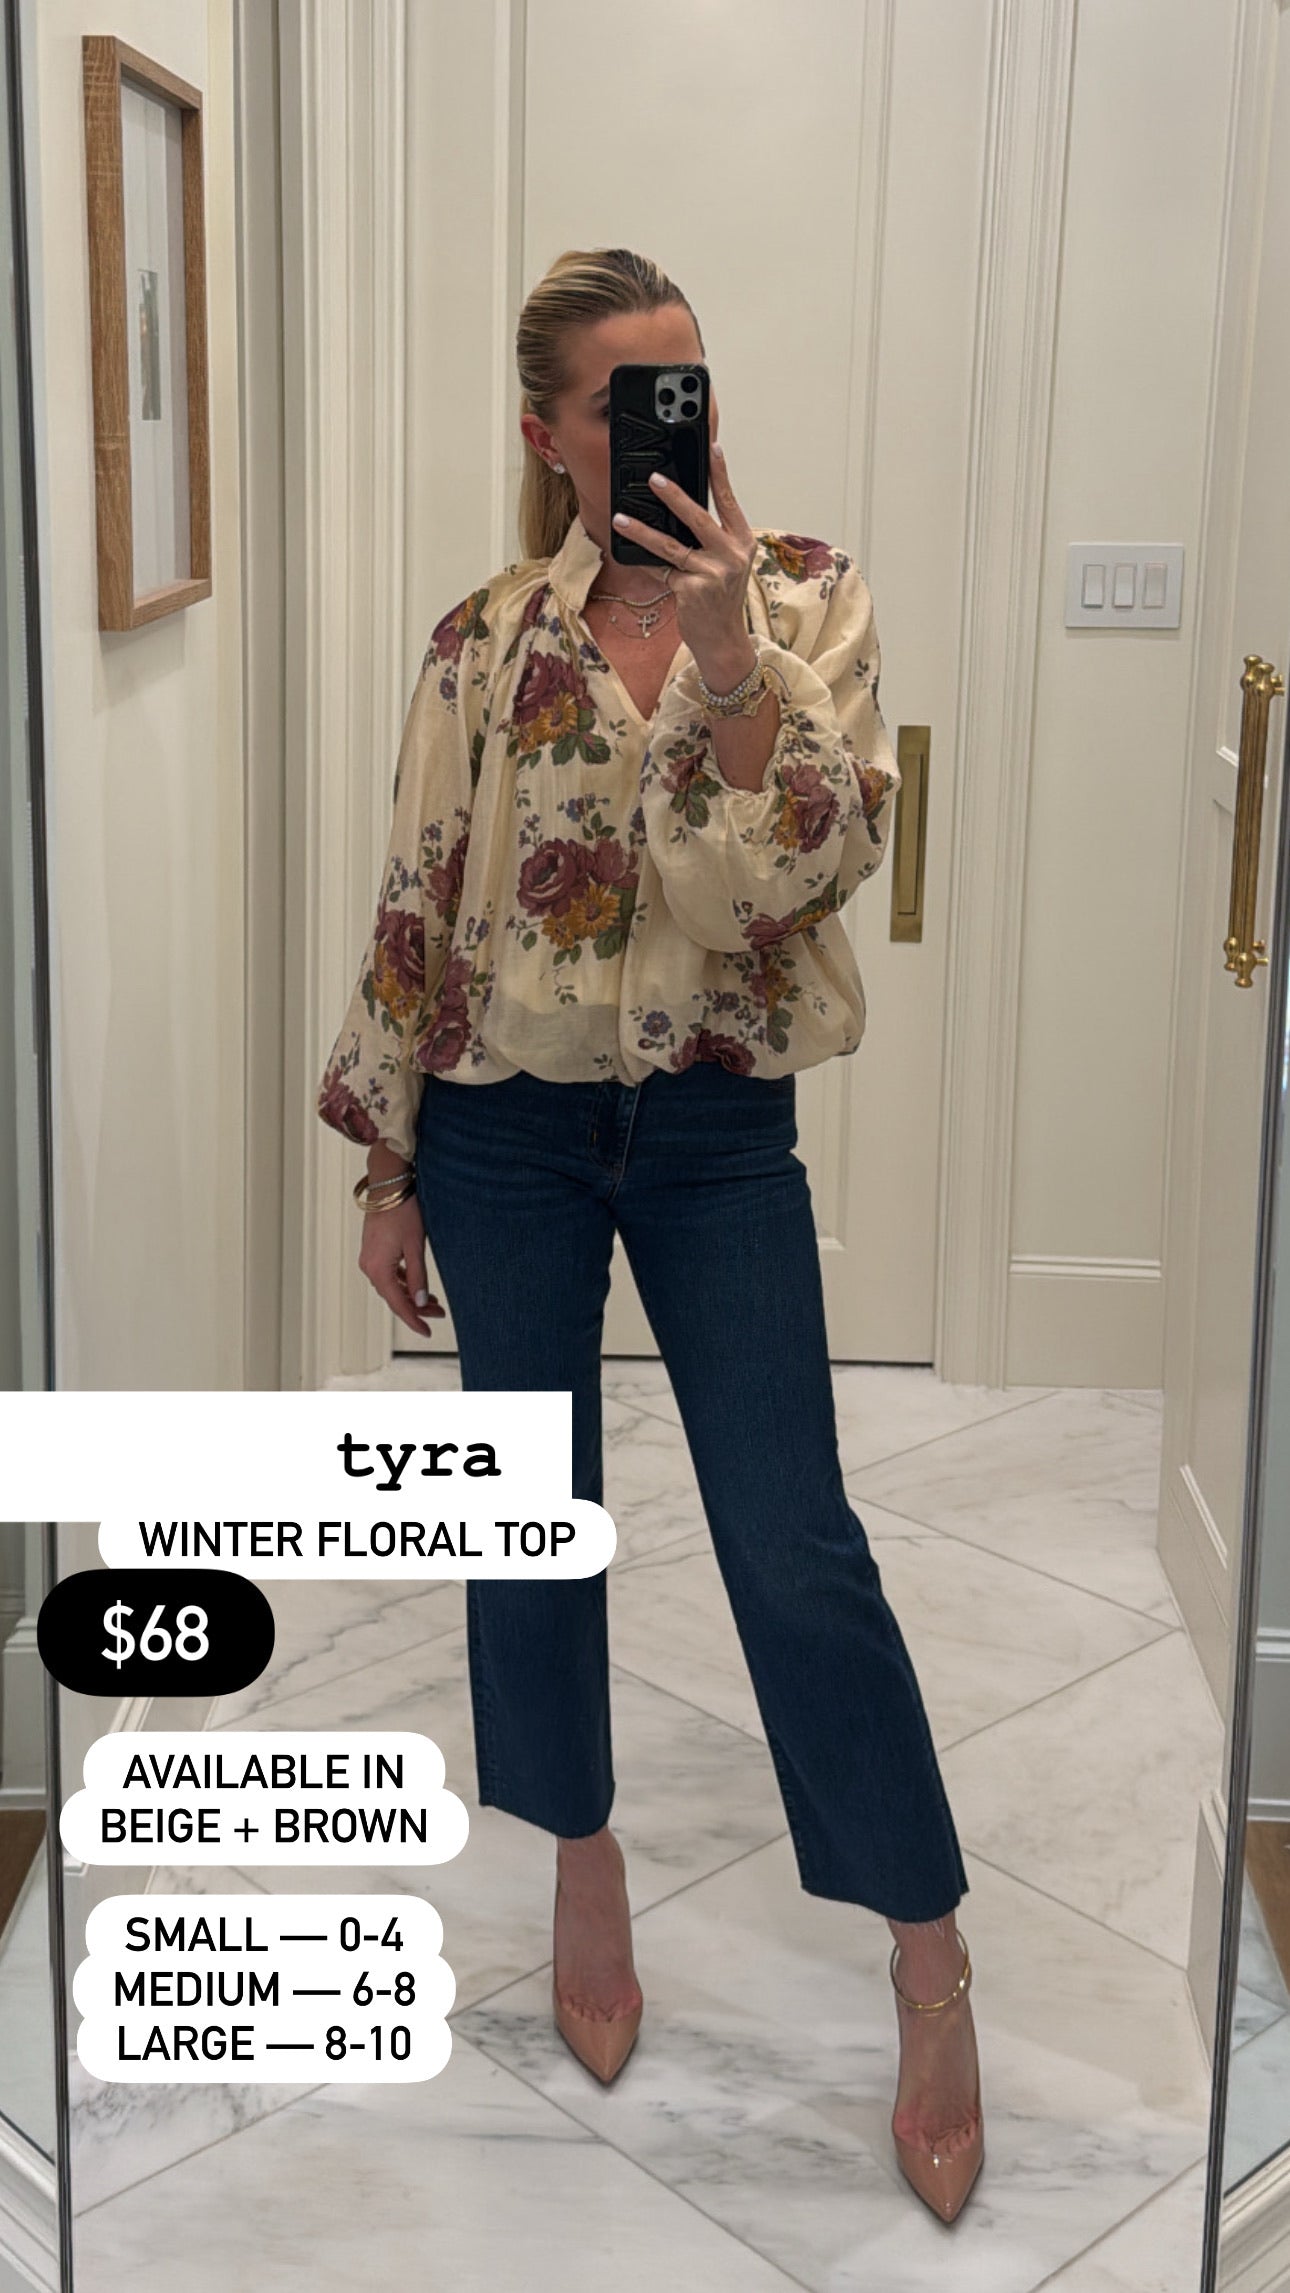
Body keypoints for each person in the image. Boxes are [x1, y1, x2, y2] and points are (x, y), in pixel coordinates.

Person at [316, 247, 984, 2222]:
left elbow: (794, 878)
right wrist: (387, 1165)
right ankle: (583, 1862)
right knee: (532, 1518)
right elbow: (418, 892)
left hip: (713, 1132)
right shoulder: (479, 641)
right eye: (623, 400)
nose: (667, 424)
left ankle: (927, 1949)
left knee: (794, 1540)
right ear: (548, 433)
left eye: (684, 384)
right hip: (506, 1128)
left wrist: (725, 657)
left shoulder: (805, 599)